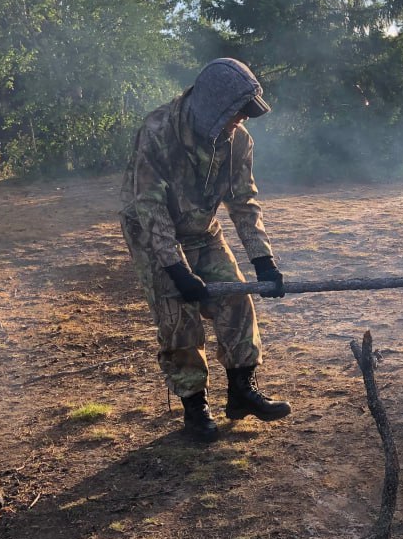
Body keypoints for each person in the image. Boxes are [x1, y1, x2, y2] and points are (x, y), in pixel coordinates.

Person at [119, 58, 291, 441]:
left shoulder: (239, 141)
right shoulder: (158, 131)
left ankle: (241, 392)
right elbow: (149, 206)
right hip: (152, 234)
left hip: (203, 230)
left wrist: (264, 262)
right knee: (178, 317)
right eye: (236, 115)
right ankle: (195, 409)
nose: (240, 122)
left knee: (237, 297)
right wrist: (177, 270)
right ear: (213, 107)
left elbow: (244, 201)